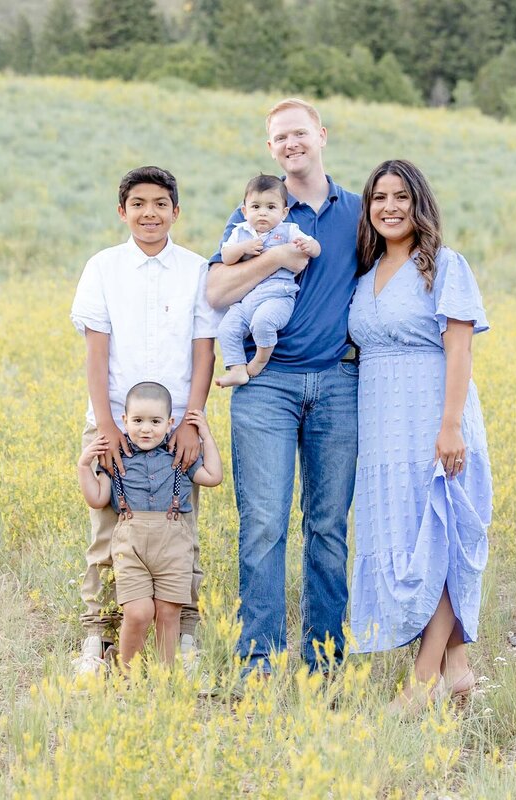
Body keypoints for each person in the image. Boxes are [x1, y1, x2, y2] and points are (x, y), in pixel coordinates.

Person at [206, 99, 361, 675]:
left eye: (300, 132)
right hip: (265, 384)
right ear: (271, 148)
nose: (291, 143)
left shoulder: (359, 211)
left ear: (321, 135)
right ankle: (258, 662)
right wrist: (275, 257)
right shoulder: (259, 208)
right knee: (265, 522)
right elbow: (218, 292)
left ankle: (325, 661)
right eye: (280, 137)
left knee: (327, 525)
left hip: (339, 382)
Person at [346, 159, 492, 710]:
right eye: (378, 197)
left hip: (435, 417)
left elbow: (460, 347)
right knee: (412, 541)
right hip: (384, 428)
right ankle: (457, 668)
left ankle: (423, 679)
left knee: (443, 534)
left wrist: (451, 426)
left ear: (418, 203)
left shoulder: (445, 267)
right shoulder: (363, 279)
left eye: (400, 196)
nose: (389, 206)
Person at [70, 166, 220, 675]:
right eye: (138, 203)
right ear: (122, 211)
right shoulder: (103, 268)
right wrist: (108, 425)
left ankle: (182, 636)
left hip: (175, 426)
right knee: (109, 528)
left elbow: (205, 351)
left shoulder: (198, 269)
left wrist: (193, 422)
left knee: (179, 528)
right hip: (116, 421)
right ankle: (98, 635)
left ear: (176, 211)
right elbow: (97, 352)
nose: (149, 212)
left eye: (160, 203)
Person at [77, 382, 223, 671]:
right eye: (138, 421)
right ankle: (127, 674)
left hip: (173, 548)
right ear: (124, 421)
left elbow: (213, 476)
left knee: (169, 612)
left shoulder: (178, 455)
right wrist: (84, 465)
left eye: (155, 422)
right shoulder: (117, 460)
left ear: (170, 423)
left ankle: (163, 677)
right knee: (139, 611)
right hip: (131, 548)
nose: (146, 429)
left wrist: (204, 434)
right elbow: (97, 499)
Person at [216, 174, 321, 388]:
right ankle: (237, 369)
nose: (262, 213)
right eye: (255, 207)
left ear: (284, 213)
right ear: (244, 211)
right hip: (246, 301)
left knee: (263, 323)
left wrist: (310, 247)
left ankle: (261, 359)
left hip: (278, 295)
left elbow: (315, 247)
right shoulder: (240, 232)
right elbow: (226, 256)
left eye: (271, 207)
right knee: (226, 328)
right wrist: (243, 248)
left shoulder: (288, 230)